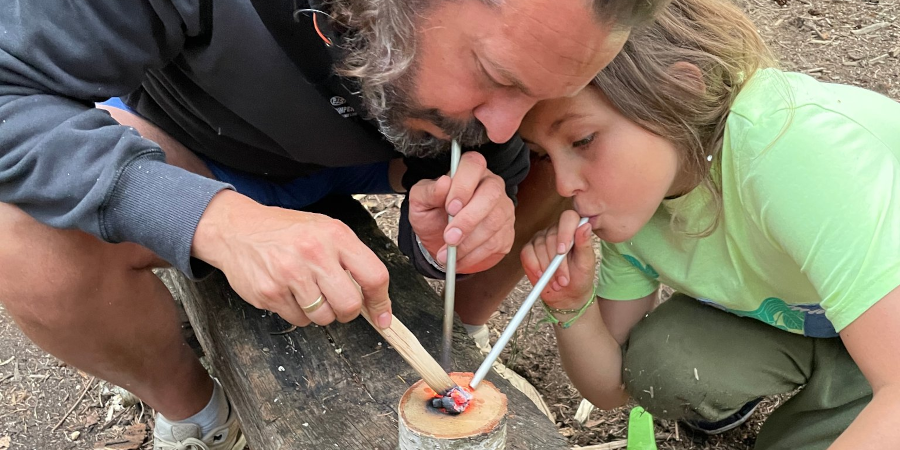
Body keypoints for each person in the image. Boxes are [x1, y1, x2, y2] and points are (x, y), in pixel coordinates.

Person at [0, 0, 669, 448]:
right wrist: (216, 219)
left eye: (534, 95)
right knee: (20, 237)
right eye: (493, 75)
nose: (504, 125)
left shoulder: (498, 92)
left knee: (572, 150)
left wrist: (447, 229)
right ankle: (199, 413)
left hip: (368, 160)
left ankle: (459, 329)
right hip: (194, 148)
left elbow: (500, 157)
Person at [517, 0, 900, 447]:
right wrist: (571, 307)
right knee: (660, 366)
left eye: (583, 140)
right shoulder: (637, 203)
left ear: (678, 92)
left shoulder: (788, 153)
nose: (563, 184)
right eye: (543, 154)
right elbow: (612, 388)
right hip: (813, 315)